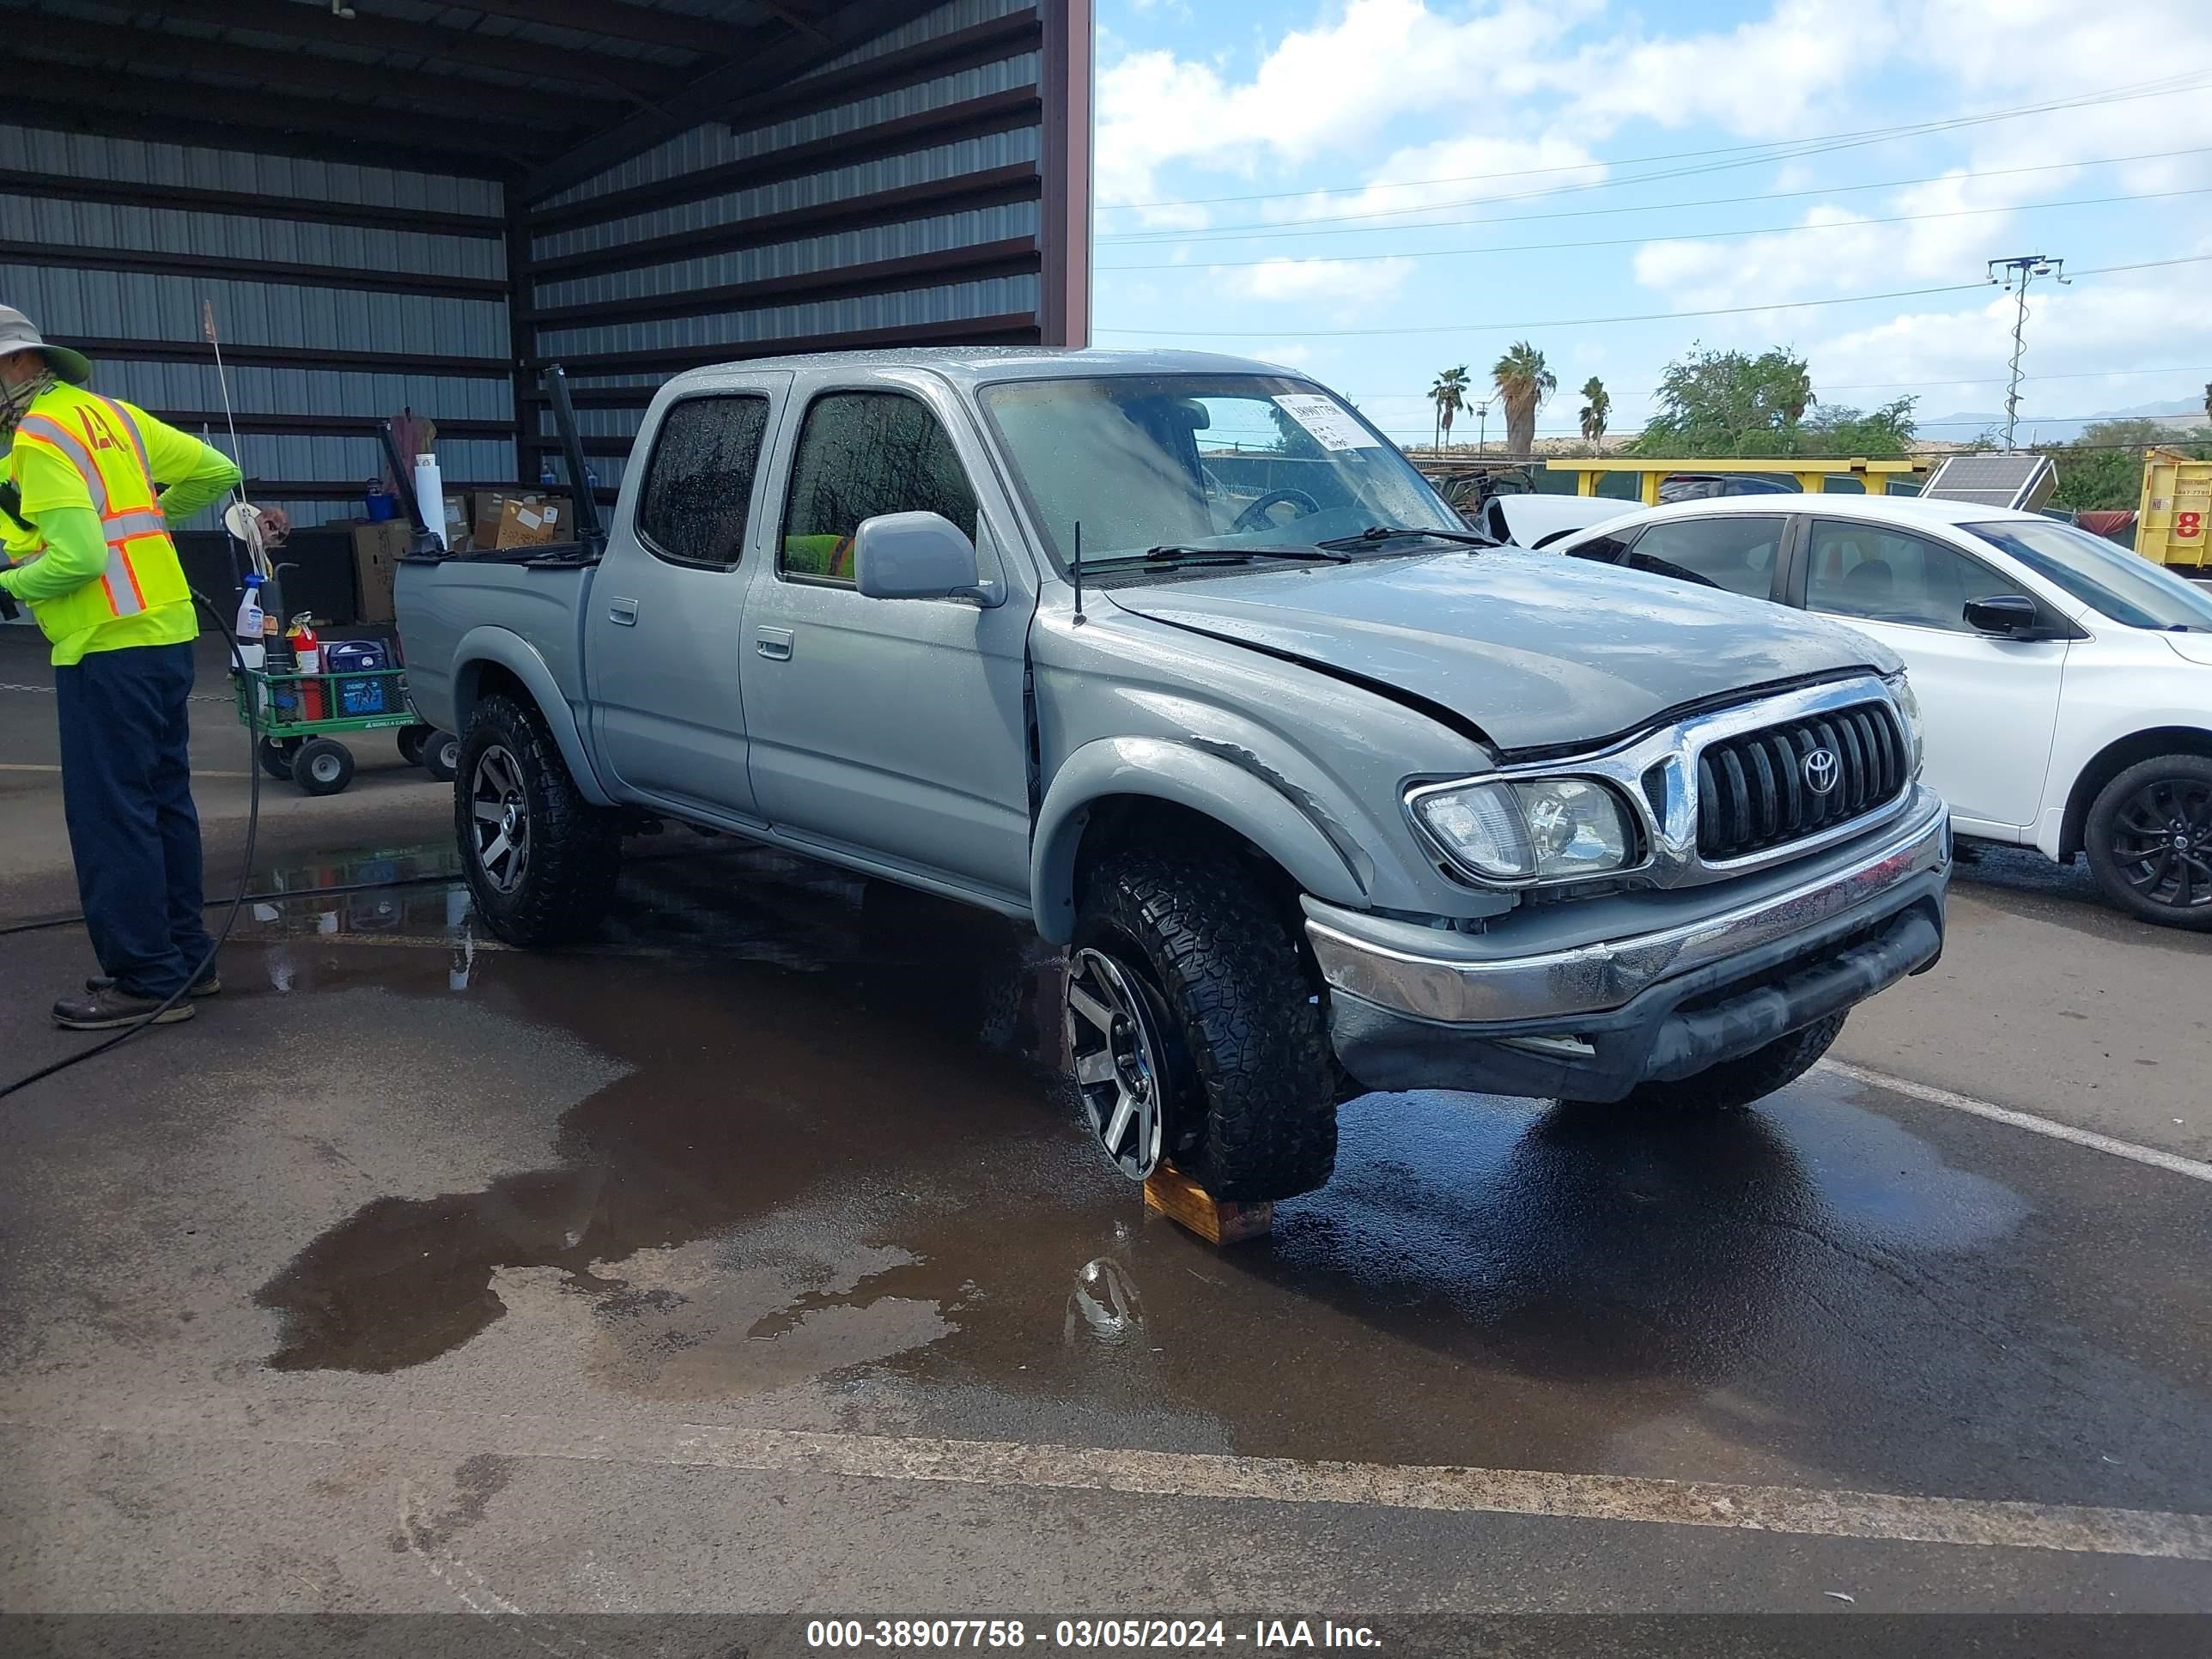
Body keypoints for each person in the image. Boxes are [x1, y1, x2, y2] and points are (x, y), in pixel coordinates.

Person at [0, 306, 243, 1029]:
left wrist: (5, 583)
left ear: (18, 366)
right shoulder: (110, 417)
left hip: (106, 645)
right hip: (166, 634)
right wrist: (156, 516)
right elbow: (219, 471)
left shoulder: (38, 439)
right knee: (163, 804)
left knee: (113, 819)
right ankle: (185, 963)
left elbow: (78, 557)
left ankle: (144, 978)